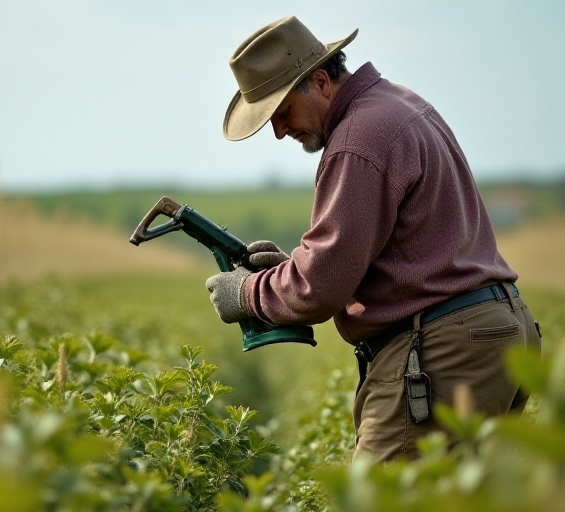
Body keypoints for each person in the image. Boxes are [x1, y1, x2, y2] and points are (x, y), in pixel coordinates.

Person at [205, 15, 543, 462]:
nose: (280, 130)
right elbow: (390, 252)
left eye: (281, 112)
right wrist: (291, 268)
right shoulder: (397, 105)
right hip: (496, 331)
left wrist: (248, 293)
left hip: (446, 350)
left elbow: (320, 288)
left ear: (321, 82)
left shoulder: (358, 140)